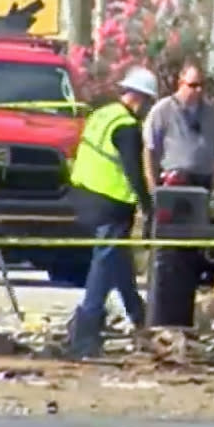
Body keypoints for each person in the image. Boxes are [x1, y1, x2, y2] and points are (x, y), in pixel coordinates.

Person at [66, 67, 158, 358]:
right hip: (110, 202)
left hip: (83, 194)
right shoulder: (127, 127)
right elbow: (133, 171)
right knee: (104, 262)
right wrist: (148, 205)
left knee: (117, 261)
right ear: (141, 99)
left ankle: (140, 317)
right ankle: (86, 330)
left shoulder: (102, 114)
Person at [143, 64, 214, 290]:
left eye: (202, 86)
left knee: (201, 240)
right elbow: (149, 149)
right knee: (173, 245)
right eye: (193, 85)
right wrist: (152, 185)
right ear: (181, 84)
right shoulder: (162, 111)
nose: (198, 91)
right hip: (175, 183)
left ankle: (199, 282)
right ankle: (169, 287)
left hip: (203, 183)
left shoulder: (211, 114)